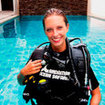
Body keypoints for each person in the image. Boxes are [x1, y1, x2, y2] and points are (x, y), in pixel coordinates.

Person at [17, 8, 101, 105]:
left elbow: (96, 94)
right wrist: (22, 73)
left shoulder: (79, 58)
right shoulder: (38, 55)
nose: (55, 34)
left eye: (59, 27)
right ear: (45, 31)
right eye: (49, 30)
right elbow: (21, 82)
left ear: (67, 27)